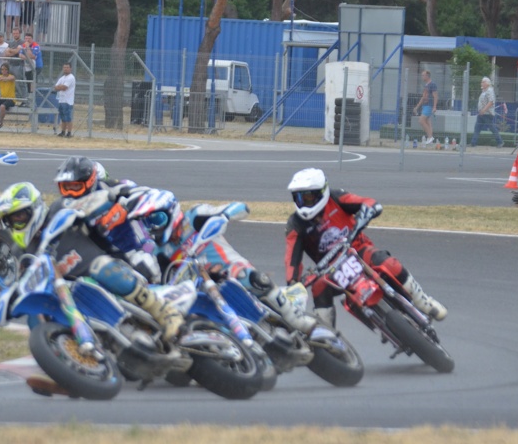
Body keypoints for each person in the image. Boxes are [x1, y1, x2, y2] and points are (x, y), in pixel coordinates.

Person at [139, 192, 325, 336]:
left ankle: (296, 319)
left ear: (171, 210)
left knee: (253, 278)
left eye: (157, 218)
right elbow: (163, 280)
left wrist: (227, 214)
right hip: (200, 286)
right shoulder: (161, 251)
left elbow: (239, 208)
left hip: (230, 269)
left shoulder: (195, 216)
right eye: (148, 221)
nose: (154, 225)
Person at [284, 168, 447, 323]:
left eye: (307, 198)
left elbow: (368, 202)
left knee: (386, 261)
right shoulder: (295, 224)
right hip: (330, 270)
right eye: (298, 198)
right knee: (318, 288)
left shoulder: (335, 197)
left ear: (321, 192)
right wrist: (293, 284)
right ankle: (326, 337)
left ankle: (423, 301)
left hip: (357, 251)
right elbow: (292, 259)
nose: (303, 203)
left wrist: (367, 212)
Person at [52, 157, 186, 340]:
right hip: (102, 256)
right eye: (65, 187)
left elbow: (149, 194)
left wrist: (127, 204)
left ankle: (167, 311)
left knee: (145, 269)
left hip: (135, 249)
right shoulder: (63, 207)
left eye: (75, 186)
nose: (70, 192)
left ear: (89, 182)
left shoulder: (111, 188)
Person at [470, 76, 503, 148]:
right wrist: (481, 110)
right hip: (481, 113)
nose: (481, 83)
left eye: (483, 82)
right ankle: (473, 143)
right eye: (481, 82)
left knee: (492, 128)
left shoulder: (489, 91)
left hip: (487, 113)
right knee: (477, 128)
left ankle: (500, 142)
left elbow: (491, 102)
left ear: (487, 83)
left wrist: (484, 110)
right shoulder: (484, 91)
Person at [412, 69, 438, 146]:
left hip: (429, 106)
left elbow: (435, 96)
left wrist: (434, 107)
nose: (422, 77)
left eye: (423, 75)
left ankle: (430, 137)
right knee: (428, 122)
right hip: (425, 105)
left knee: (421, 120)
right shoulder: (426, 85)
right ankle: (430, 139)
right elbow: (423, 97)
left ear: (427, 76)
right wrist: (417, 107)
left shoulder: (432, 84)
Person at [54, 62, 76, 137]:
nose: (65, 69)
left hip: (67, 101)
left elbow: (64, 87)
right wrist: (60, 87)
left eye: (67, 67)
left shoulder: (71, 77)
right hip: (61, 100)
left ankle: (69, 132)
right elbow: (55, 87)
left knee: (68, 117)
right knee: (63, 117)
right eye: (64, 67)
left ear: (70, 68)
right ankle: (63, 132)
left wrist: (60, 87)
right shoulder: (62, 78)